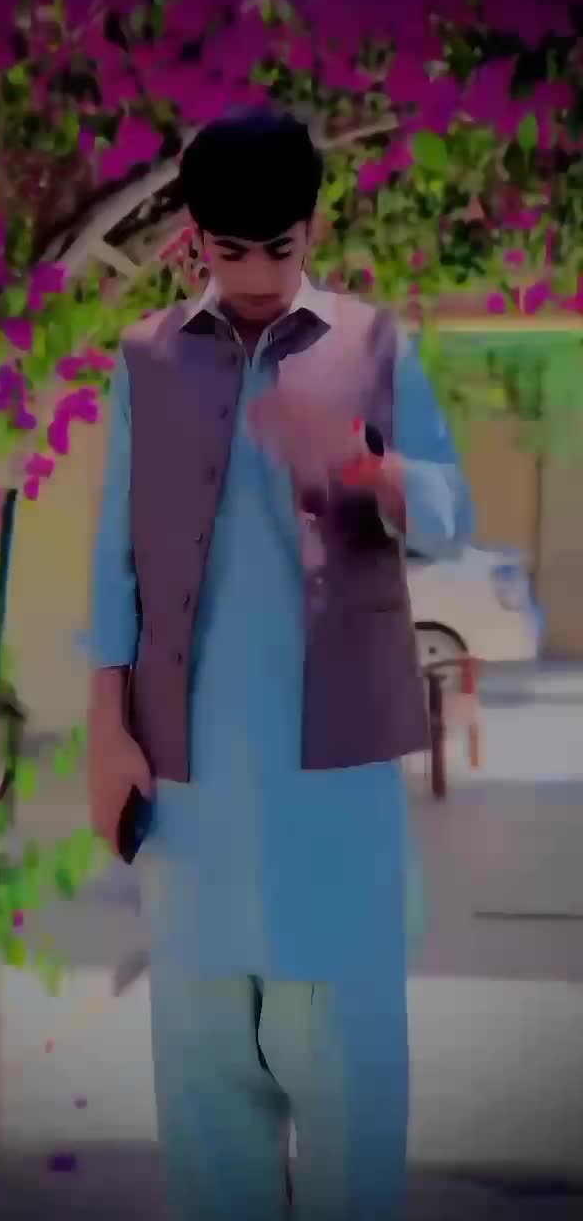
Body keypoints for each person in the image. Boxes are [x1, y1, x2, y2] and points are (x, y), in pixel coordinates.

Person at [85, 109, 474, 1221]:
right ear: (194, 238)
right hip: (193, 804)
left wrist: (367, 467)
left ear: (313, 228)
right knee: (211, 1142)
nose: (256, 276)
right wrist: (107, 730)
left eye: (279, 248)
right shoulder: (148, 359)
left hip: (333, 807)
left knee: (354, 1138)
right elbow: (116, 561)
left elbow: (450, 514)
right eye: (230, 250)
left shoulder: (373, 345)